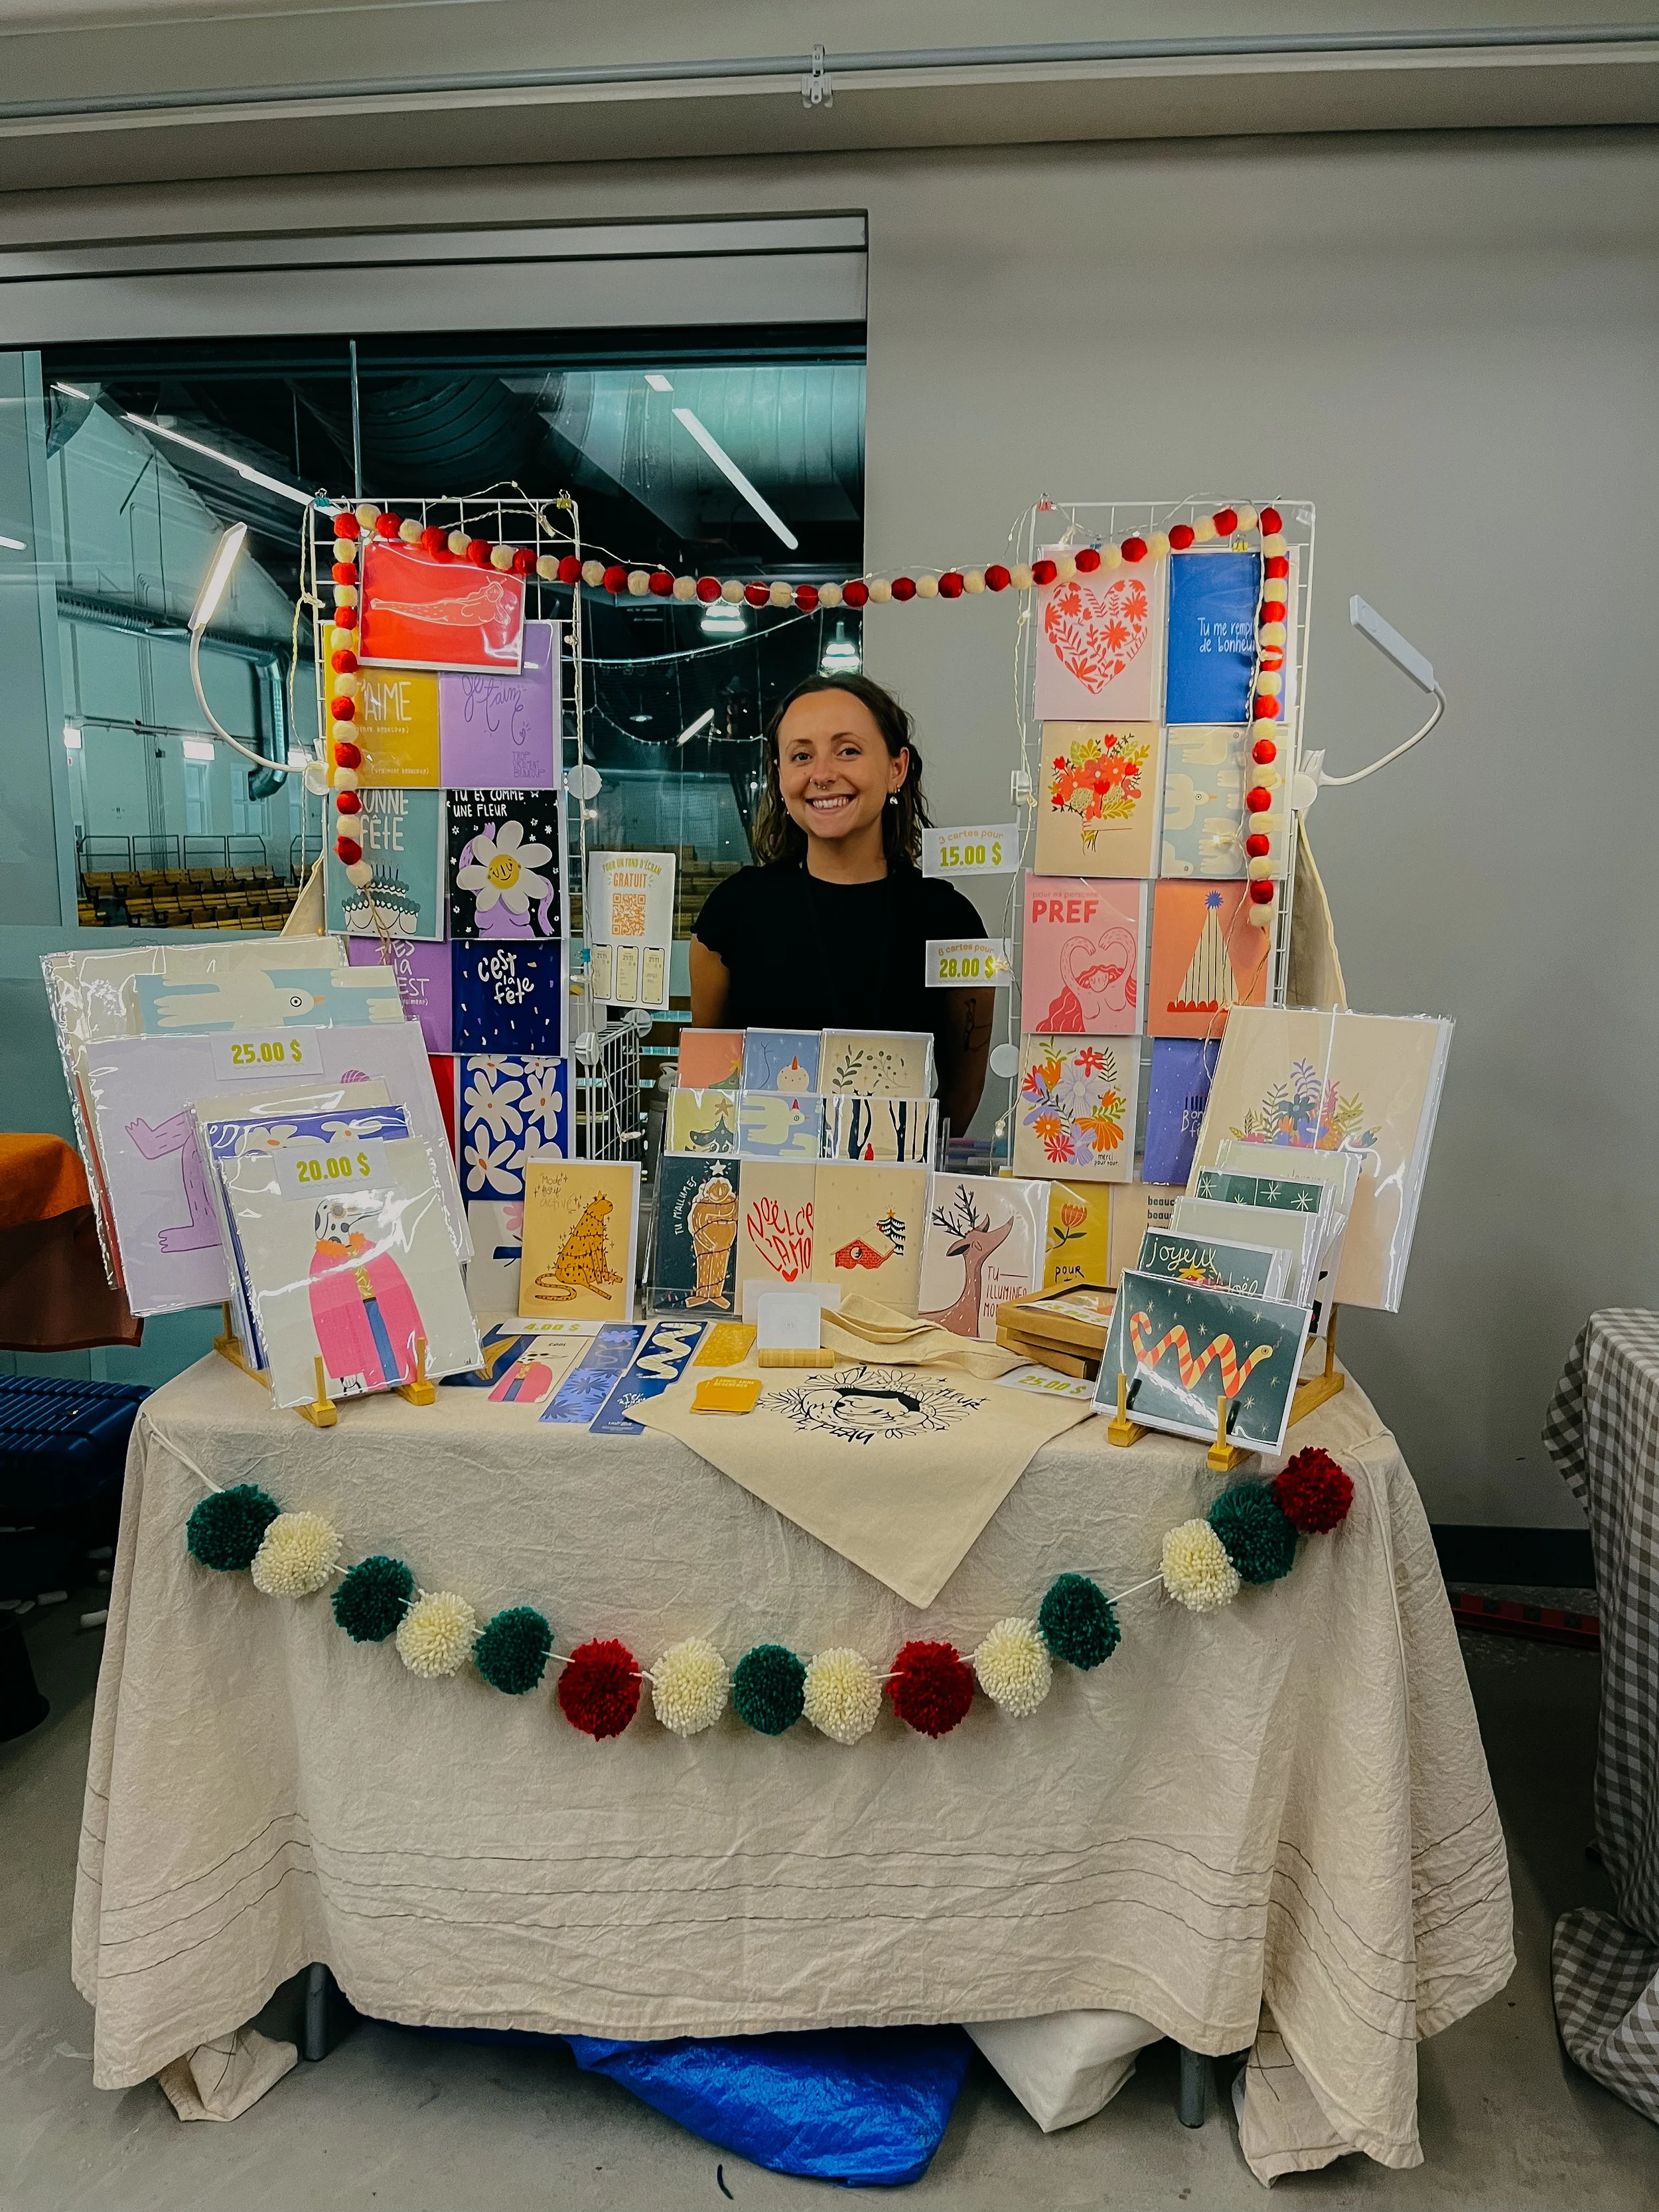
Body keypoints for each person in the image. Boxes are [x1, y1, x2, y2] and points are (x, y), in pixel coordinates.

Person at [690, 674, 993, 1137]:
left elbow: (962, 1095)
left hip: (895, 1198)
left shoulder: (952, 924)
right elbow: (709, 1087)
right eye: (801, 755)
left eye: (848, 750)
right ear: (779, 773)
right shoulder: (730, 915)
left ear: (897, 767)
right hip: (764, 1201)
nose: (822, 773)